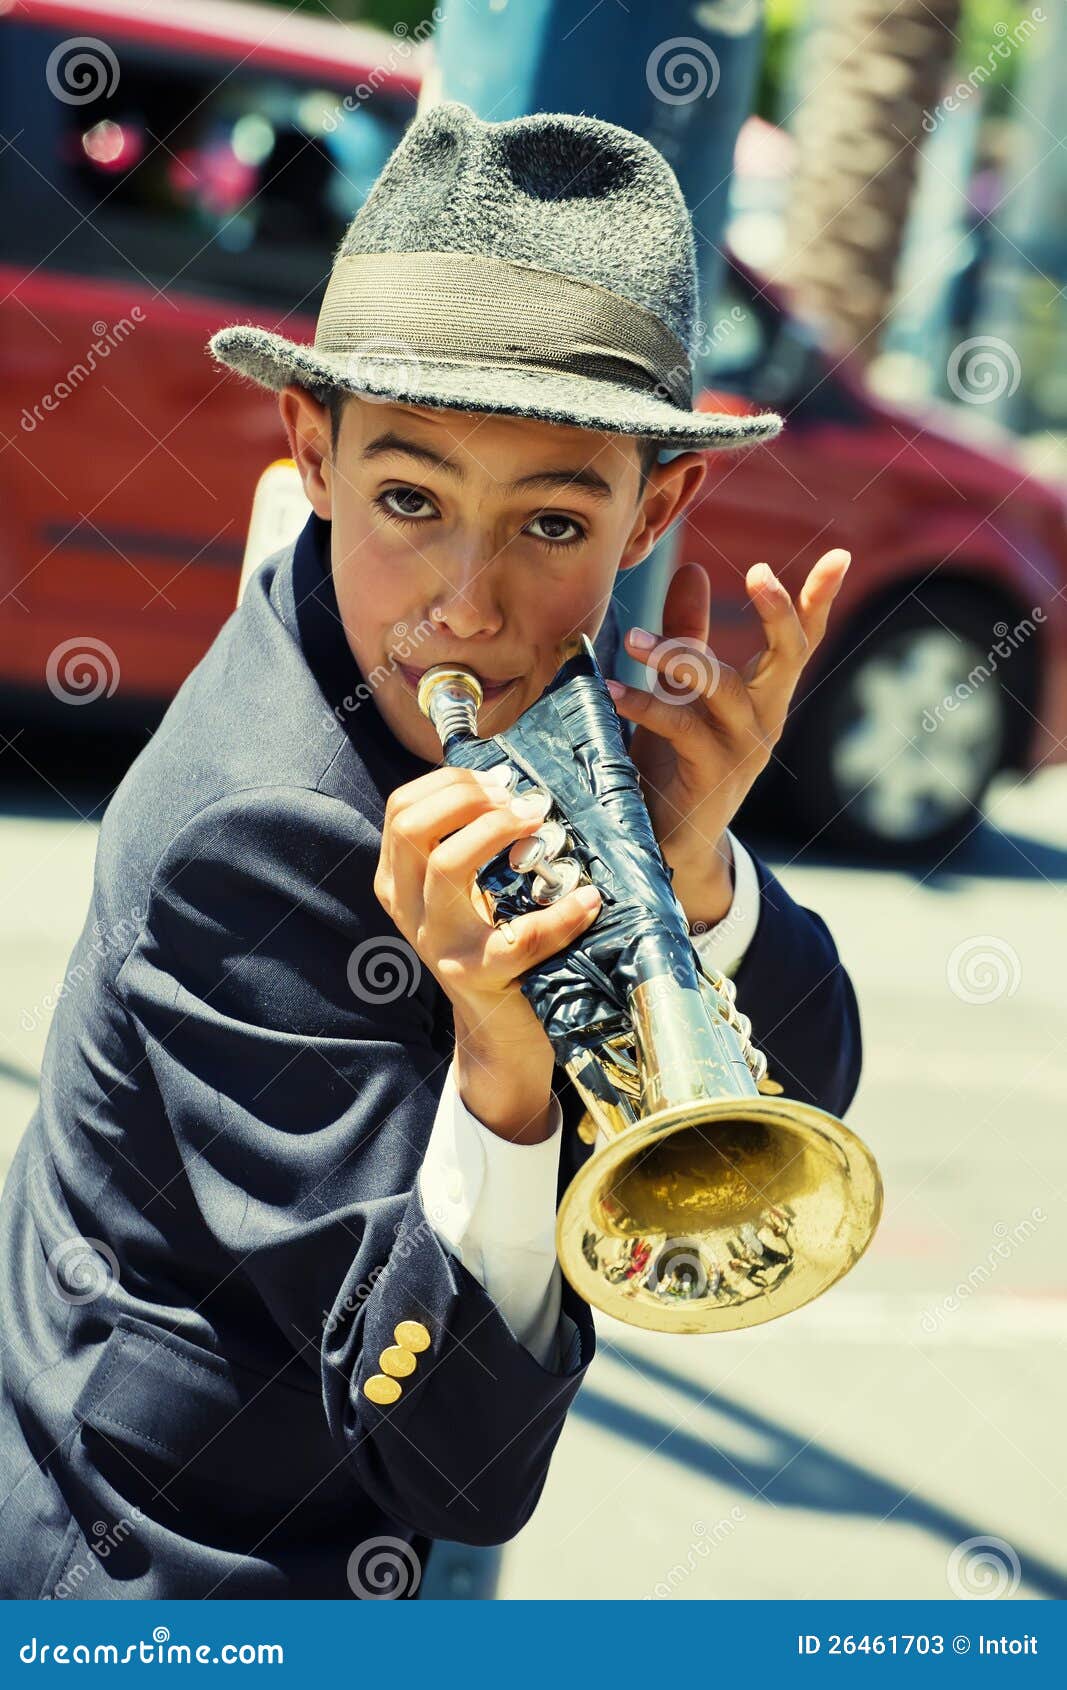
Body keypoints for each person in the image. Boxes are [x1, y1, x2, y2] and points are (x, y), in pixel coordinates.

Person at [0, 101, 861, 1600]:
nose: (468, 605)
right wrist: (503, 1061)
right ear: (310, 453)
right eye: (411, 501)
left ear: (658, 507)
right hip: (176, 1570)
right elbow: (460, 1466)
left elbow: (802, 1105)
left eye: (549, 522)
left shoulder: (554, 683)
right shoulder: (252, 839)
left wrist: (694, 875)